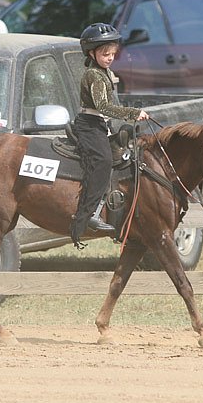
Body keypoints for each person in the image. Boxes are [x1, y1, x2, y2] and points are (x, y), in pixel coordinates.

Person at [70, 23, 149, 248]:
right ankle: (88, 215)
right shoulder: (94, 75)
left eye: (113, 54)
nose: (110, 58)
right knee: (103, 161)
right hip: (89, 125)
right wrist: (133, 113)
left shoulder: (105, 72)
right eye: (105, 54)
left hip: (100, 124)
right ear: (91, 53)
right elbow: (103, 107)